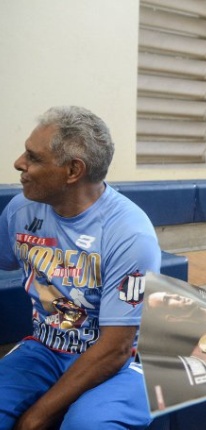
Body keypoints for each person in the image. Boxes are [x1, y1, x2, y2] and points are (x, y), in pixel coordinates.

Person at [0, 106, 161, 429]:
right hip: (45, 350)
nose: (19, 163)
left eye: (33, 157)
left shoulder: (129, 234)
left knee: (86, 424)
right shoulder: (21, 210)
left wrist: (37, 416)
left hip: (122, 361)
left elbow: (116, 348)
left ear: (73, 170)